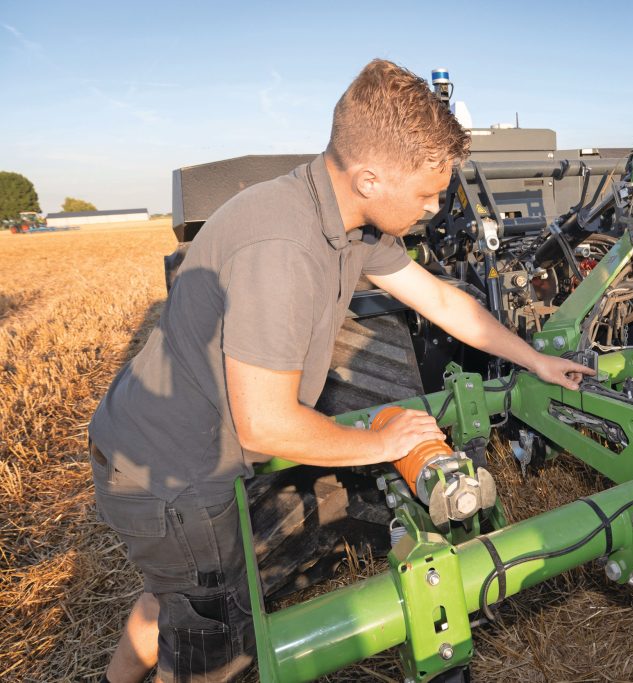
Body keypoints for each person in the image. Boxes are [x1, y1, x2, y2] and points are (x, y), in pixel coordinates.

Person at [87, 59, 593, 683]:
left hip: (153, 443)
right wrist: (381, 443)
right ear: (371, 177)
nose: (436, 207)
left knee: (172, 599)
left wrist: (534, 358)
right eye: (427, 192)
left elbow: (437, 298)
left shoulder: (344, 220)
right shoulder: (284, 248)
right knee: (212, 653)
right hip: (172, 477)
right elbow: (265, 427)